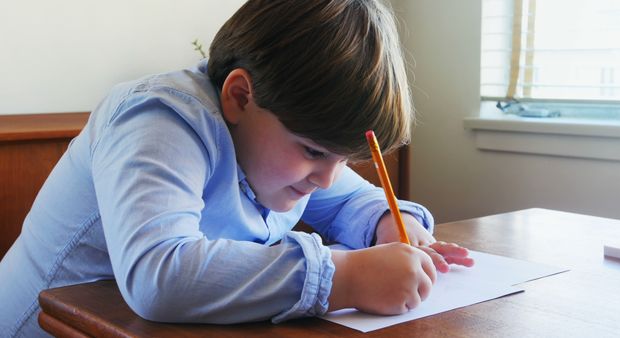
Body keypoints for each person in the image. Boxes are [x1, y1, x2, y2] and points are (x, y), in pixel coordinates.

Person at [0, 0, 474, 336]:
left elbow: (351, 197)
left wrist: (391, 223)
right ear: (240, 96)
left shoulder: (282, 145)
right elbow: (159, 275)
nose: (326, 178)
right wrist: (344, 276)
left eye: (342, 158)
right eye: (313, 151)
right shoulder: (160, 120)